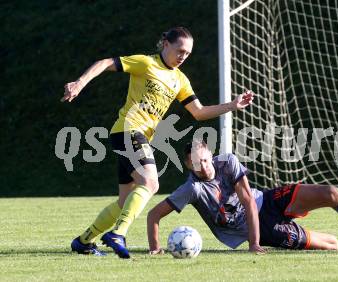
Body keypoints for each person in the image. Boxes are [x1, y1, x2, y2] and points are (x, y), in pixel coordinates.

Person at [62, 27, 254, 259]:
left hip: (132, 136)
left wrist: (232, 106)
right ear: (165, 44)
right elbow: (104, 62)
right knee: (151, 183)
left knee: (125, 202)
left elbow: (199, 112)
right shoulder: (145, 63)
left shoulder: (180, 80)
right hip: (129, 131)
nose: (183, 56)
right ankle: (118, 234)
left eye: (188, 54)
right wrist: (80, 83)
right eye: (180, 50)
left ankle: (84, 241)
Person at [147, 140, 338, 254]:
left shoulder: (227, 162)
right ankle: (303, 232)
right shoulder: (191, 189)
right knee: (332, 244)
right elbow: (154, 214)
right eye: (195, 164)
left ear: (210, 154)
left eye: (204, 160)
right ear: (187, 165)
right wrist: (155, 248)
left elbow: (249, 200)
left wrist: (253, 245)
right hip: (265, 229)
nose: (203, 167)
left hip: (266, 201)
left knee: (331, 193)